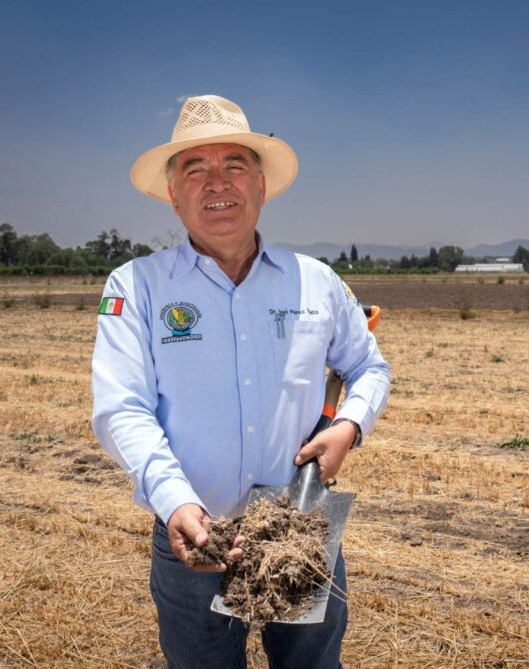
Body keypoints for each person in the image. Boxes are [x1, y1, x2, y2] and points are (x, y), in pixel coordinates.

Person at [91, 95, 390, 668]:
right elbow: (121, 408)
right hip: (195, 537)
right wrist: (176, 500)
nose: (216, 181)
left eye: (234, 164)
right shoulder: (136, 286)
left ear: (260, 185)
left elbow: (369, 367)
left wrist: (349, 426)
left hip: (300, 525)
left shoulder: (317, 282)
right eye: (194, 168)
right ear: (174, 194)